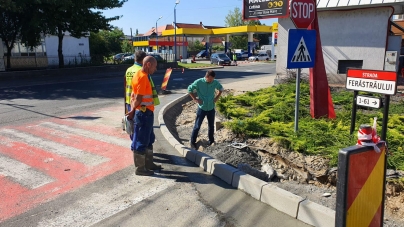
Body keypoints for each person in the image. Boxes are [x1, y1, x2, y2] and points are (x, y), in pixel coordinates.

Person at [127, 56, 161, 176]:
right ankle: (140, 168)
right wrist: (132, 110)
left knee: (149, 138)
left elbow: (132, 95)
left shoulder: (140, 75)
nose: (155, 69)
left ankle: (149, 164)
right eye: (154, 66)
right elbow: (138, 98)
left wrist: (132, 108)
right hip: (143, 113)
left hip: (146, 112)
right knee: (141, 140)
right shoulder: (142, 77)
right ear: (148, 65)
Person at [188, 70, 224, 149]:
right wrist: (195, 99)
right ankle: (192, 142)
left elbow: (221, 88)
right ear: (207, 77)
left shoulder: (214, 82)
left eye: (213, 79)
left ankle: (211, 141)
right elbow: (189, 89)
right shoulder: (199, 82)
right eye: (210, 79)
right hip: (202, 108)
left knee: (211, 126)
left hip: (211, 108)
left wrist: (216, 98)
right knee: (197, 126)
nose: (211, 81)